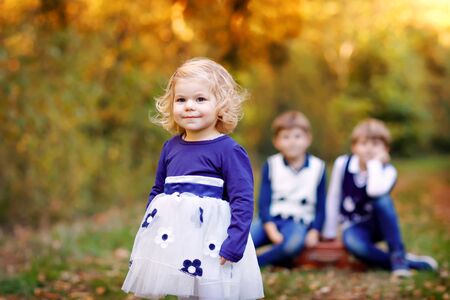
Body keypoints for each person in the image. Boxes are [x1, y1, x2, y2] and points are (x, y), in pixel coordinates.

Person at [122, 58, 264, 299]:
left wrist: (235, 241)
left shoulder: (228, 151)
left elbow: (242, 200)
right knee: (184, 290)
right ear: (171, 105)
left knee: (209, 291)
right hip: (176, 236)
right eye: (181, 100)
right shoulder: (170, 148)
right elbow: (158, 191)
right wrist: (149, 231)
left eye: (200, 99)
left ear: (221, 105)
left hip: (213, 240)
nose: (189, 106)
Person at [322, 118, 438, 277]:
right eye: (364, 144)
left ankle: (397, 254)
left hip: (380, 225)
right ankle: (405, 261)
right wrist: (329, 232)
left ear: (386, 148)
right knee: (355, 246)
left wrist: (375, 164)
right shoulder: (342, 164)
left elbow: (374, 191)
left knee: (382, 200)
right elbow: (334, 197)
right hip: (354, 225)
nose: (369, 149)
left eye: (375, 144)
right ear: (354, 147)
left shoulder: (388, 171)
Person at [251, 111, 327, 267]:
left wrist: (315, 230)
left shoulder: (318, 167)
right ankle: (280, 259)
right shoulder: (272, 164)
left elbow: (321, 205)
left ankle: (255, 264)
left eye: (297, 136)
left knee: (292, 245)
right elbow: (264, 201)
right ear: (276, 142)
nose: (292, 142)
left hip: (298, 221)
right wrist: (270, 227)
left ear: (308, 139)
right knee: (244, 240)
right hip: (272, 219)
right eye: (286, 137)